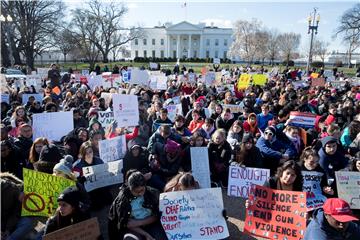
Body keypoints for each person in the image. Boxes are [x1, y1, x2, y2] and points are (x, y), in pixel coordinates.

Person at [108, 171, 166, 240]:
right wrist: (147, 235)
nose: (140, 194)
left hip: (152, 225)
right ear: (130, 188)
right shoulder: (122, 200)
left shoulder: (153, 193)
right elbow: (127, 224)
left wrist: (139, 222)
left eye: (142, 190)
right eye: (136, 192)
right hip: (134, 229)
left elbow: (158, 216)